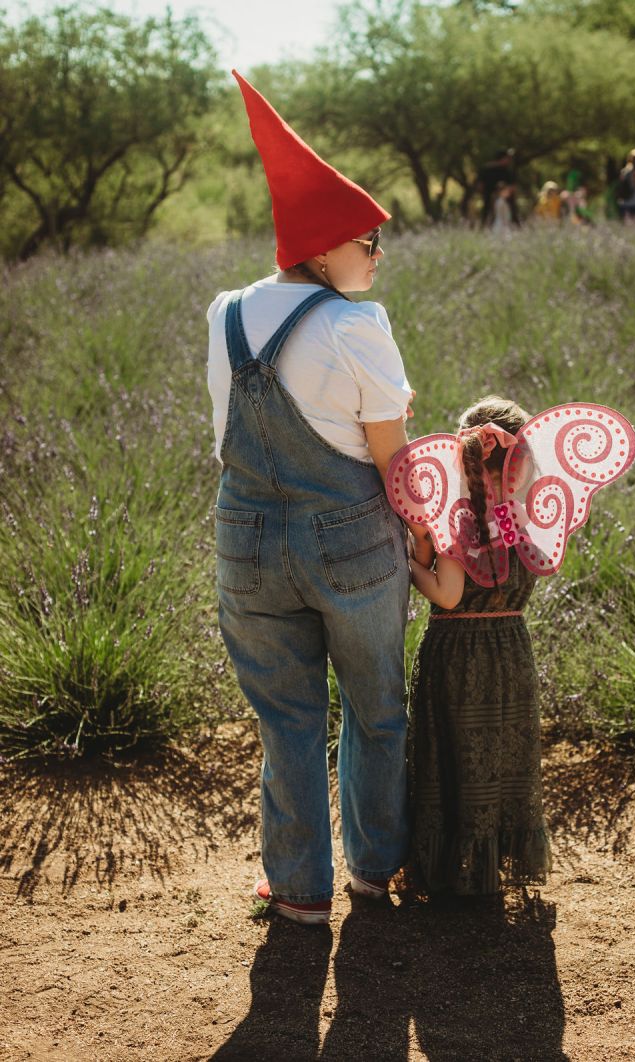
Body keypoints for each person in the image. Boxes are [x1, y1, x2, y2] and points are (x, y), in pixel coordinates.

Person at [206, 70, 415, 925]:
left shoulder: (224, 313)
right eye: (370, 239)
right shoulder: (359, 326)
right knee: (375, 712)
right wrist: (430, 539)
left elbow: (227, 433)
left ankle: (297, 892)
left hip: (247, 544)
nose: (376, 254)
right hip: (351, 545)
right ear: (325, 248)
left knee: (285, 718)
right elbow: (394, 467)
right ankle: (374, 870)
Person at [404, 396, 552, 896]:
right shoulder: (524, 521)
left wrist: (412, 565)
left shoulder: (456, 521)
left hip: (458, 657)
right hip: (511, 653)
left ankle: (455, 871)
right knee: (501, 756)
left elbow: (446, 594)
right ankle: (496, 862)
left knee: (455, 756)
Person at [477, 148, 519, 226]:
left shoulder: (506, 170)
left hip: (500, 197)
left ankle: (515, 225)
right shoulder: (489, 169)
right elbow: (480, 184)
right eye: (507, 158)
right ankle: (485, 225)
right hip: (491, 196)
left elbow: (513, 186)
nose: (509, 160)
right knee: (488, 212)